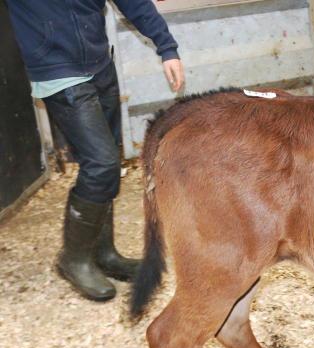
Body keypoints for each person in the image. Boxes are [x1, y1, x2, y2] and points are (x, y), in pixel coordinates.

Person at [6, 0, 185, 301]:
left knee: (107, 163)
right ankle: (73, 259)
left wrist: (166, 46)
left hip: (100, 64)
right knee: (101, 164)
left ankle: (103, 252)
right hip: (59, 71)